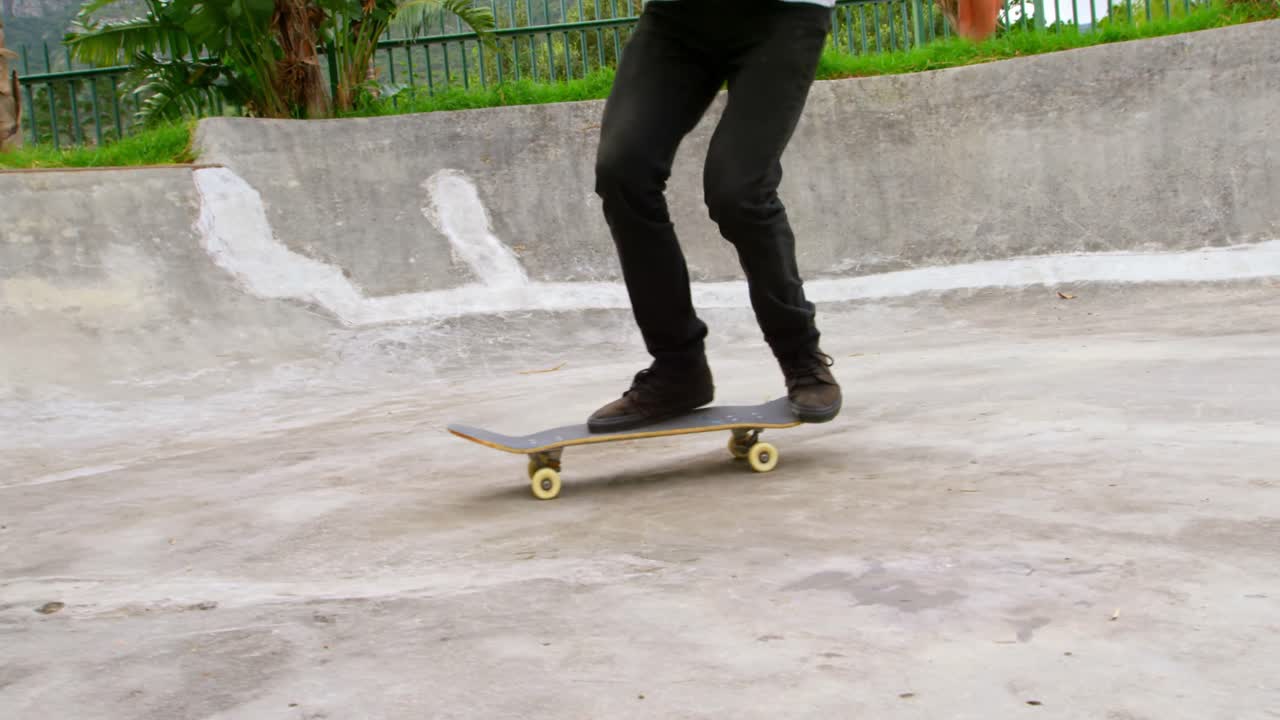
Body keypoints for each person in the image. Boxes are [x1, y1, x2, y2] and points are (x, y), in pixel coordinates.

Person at [587, 0, 841, 433]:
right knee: (623, 171)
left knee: (739, 192)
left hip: (785, 16)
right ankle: (678, 369)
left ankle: (801, 355)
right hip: (678, 17)